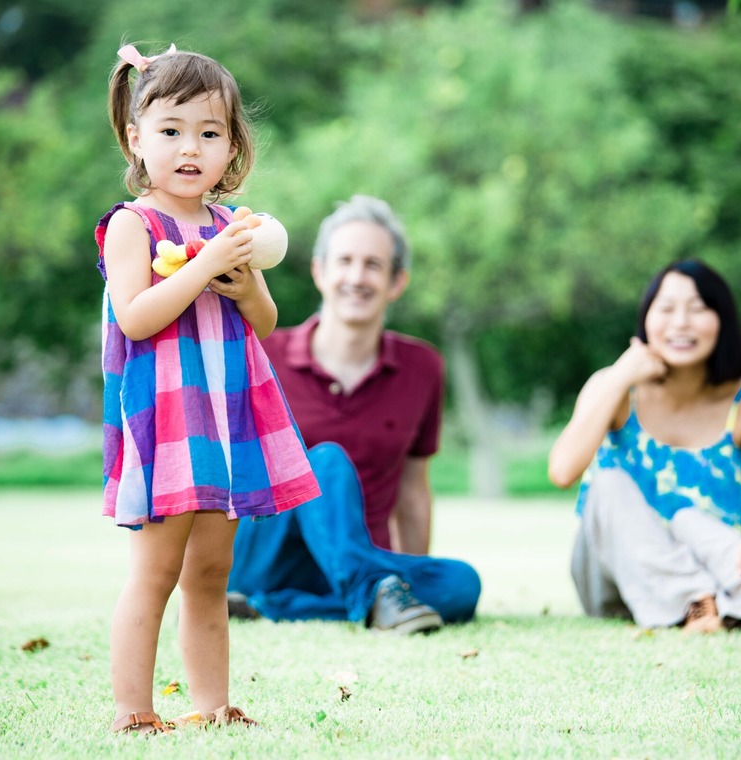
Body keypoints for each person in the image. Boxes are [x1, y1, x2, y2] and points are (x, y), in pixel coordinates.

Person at [97, 44, 320, 734]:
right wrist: (204, 267)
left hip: (224, 416)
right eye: (170, 131)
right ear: (137, 139)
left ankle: (215, 706)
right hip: (166, 417)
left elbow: (265, 320)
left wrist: (244, 278)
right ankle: (135, 711)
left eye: (209, 132)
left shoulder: (230, 228)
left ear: (232, 147)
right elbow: (136, 317)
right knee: (157, 569)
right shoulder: (133, 225)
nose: (189, 148)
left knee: (211, 571)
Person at [227, 195, 481, 634]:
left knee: (461, 584)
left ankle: (277, 606)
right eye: (345, 261)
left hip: (357, 553)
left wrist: (412, 574)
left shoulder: (423, 368)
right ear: (319, 271)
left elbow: (413, 488)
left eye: (373, 265)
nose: (357, 277)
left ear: (397, 281)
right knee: (324, 463)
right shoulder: (263, 353)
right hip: (265, 551)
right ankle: (370, 591)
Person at [548, 259, 741, 636]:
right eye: (667, 308)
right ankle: (711, 602)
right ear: (646, 320)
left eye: (698, 309)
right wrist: (623, 373)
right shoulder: (614, 390)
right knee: (607, 484)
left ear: (722, 321)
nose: (681, 323)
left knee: (689, 518)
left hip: (717, 565)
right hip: (615, 576)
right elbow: (562, 470)